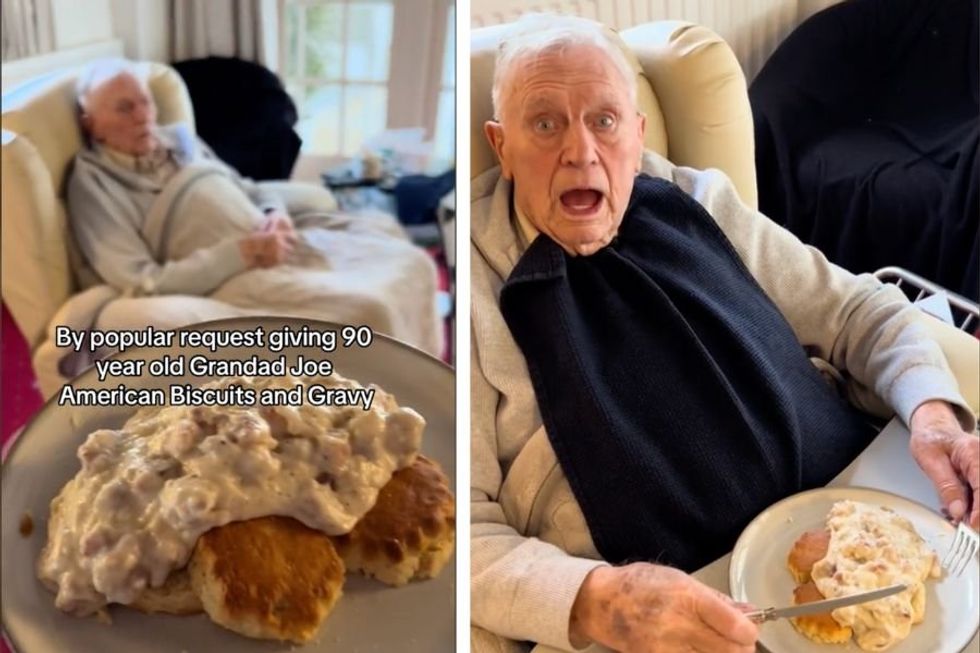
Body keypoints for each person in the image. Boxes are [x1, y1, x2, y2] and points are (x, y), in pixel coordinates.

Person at [470, 14, 979, 653]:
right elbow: (467, 528)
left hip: (850, 523)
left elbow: (859, 313)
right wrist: (597, 602)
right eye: (544, 124)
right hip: (668, 612)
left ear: (636, 132)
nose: (580, 151)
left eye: (604, 121)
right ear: (501, 146)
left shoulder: (697, 199)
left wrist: (935, 415)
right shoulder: (471, 287)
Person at [66, 59, 441, 355]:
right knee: (368, 312)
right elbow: (141, 281)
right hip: (230, 275)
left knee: (413, 264)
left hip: (274, 244)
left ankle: (424, 390)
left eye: (145, 101)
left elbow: (245, 187)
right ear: (92, 124)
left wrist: (273, 215)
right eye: (124, 108)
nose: (143, 115)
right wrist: (241, 253)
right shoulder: (94, 183)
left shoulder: (176, 140)